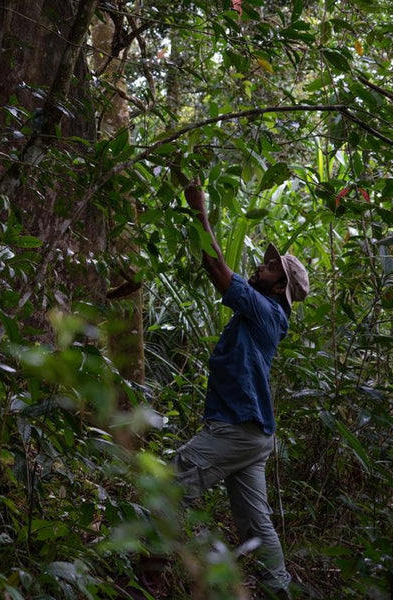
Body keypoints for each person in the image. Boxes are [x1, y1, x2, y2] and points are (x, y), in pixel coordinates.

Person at [173, 177, 309, 599]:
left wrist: (199, 208)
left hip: (238, 426)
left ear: (279, 287)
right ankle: (278, 589)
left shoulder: (265, 310)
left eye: (270, 268)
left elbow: (215, 267)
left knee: (172, 481)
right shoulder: (260, 312)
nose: (260, 266)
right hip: (254, 434)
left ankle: (152, 570)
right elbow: (210, 265)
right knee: (256, 523)